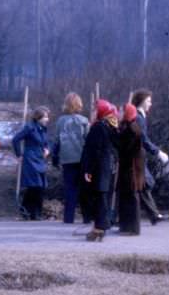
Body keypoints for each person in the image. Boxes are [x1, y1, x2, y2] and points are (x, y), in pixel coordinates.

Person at [80, 100, 119, 241]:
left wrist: (88, 169)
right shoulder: (111, 125)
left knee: (99, 198)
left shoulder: (98, 127)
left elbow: (93, 150)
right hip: (107, 166)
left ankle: (99, 229)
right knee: (104, 197)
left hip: (99, 167)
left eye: (94, 110)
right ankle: (100, 227)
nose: (92, 112)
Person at [131, 89, 169, 225]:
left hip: (136, 156)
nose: (150, 104)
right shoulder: (138, 117)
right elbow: (143, 139)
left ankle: (154, 215)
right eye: (148, 101)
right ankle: (153, 215)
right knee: (143, 184)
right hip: (136, 157)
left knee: (143, 185)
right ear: (141, 102)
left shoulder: (139, 116)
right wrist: (158, 152)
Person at [51, 92, 90, 223]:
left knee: (70, 189)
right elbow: (88, 140)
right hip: (82, 158)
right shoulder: (84, 121)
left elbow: (57, 141)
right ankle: (87, 216)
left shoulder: (61, 121)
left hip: (67, 159)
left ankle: (69, 217)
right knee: (85, 188)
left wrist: (54, 157)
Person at [12, 106, 51, 221]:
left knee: (40, 186)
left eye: (47, 117)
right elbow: (16, 140)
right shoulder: (29, 127)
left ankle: (32, 212)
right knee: (35, 186)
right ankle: (30, 212)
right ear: (38, 117)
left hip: (40, 159)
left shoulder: (43, 128)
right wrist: (19, 155)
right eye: (45, 117)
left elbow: (46, 142)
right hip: (30, 159)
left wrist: (47, 149)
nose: (47, 119)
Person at [116, 103, 145, 235]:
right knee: (126, 197)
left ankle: (132, 228)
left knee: (131, 197)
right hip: (128, 168)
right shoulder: (127, 127)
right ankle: (125, 225)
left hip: (131, 169)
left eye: (122, 110)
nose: (119, 112)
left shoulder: (132, 129)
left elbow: (125, 149)